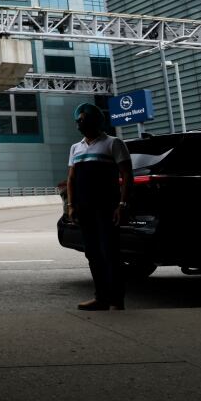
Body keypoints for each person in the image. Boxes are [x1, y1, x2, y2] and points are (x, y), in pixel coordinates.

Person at [66, 103, 133, 311]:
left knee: (110, 253)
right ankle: (101, 297)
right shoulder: (75, 148)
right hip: (84, 208)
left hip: (107, 207)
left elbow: (127, 175)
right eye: (78, 120)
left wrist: (122, 204)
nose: (79, 123)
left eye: (83, 119)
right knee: (92, 254)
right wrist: (71, 205)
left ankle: (117, 299)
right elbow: (71, 179)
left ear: (95, 120)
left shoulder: (114, 143)